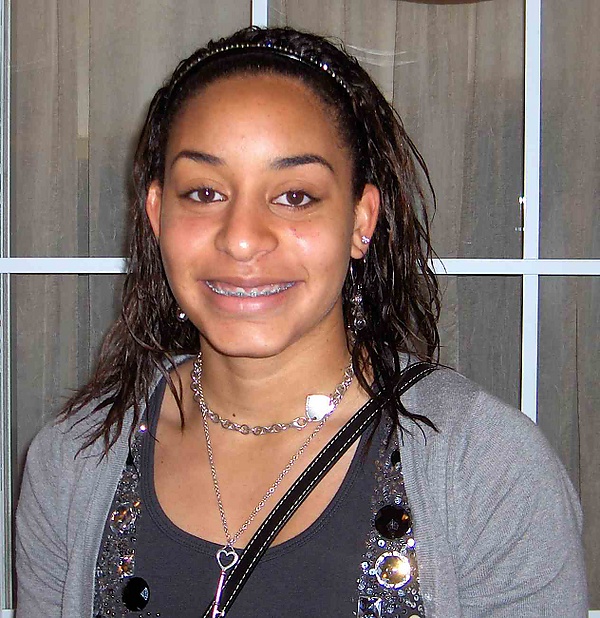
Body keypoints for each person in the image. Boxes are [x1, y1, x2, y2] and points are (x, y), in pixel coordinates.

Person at [15, 26, 587, 618]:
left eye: (295, 196)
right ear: (157, 216)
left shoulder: (488, 471)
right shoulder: (74, 461)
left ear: (361, 221)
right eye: (205, 192)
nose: (241, 238)